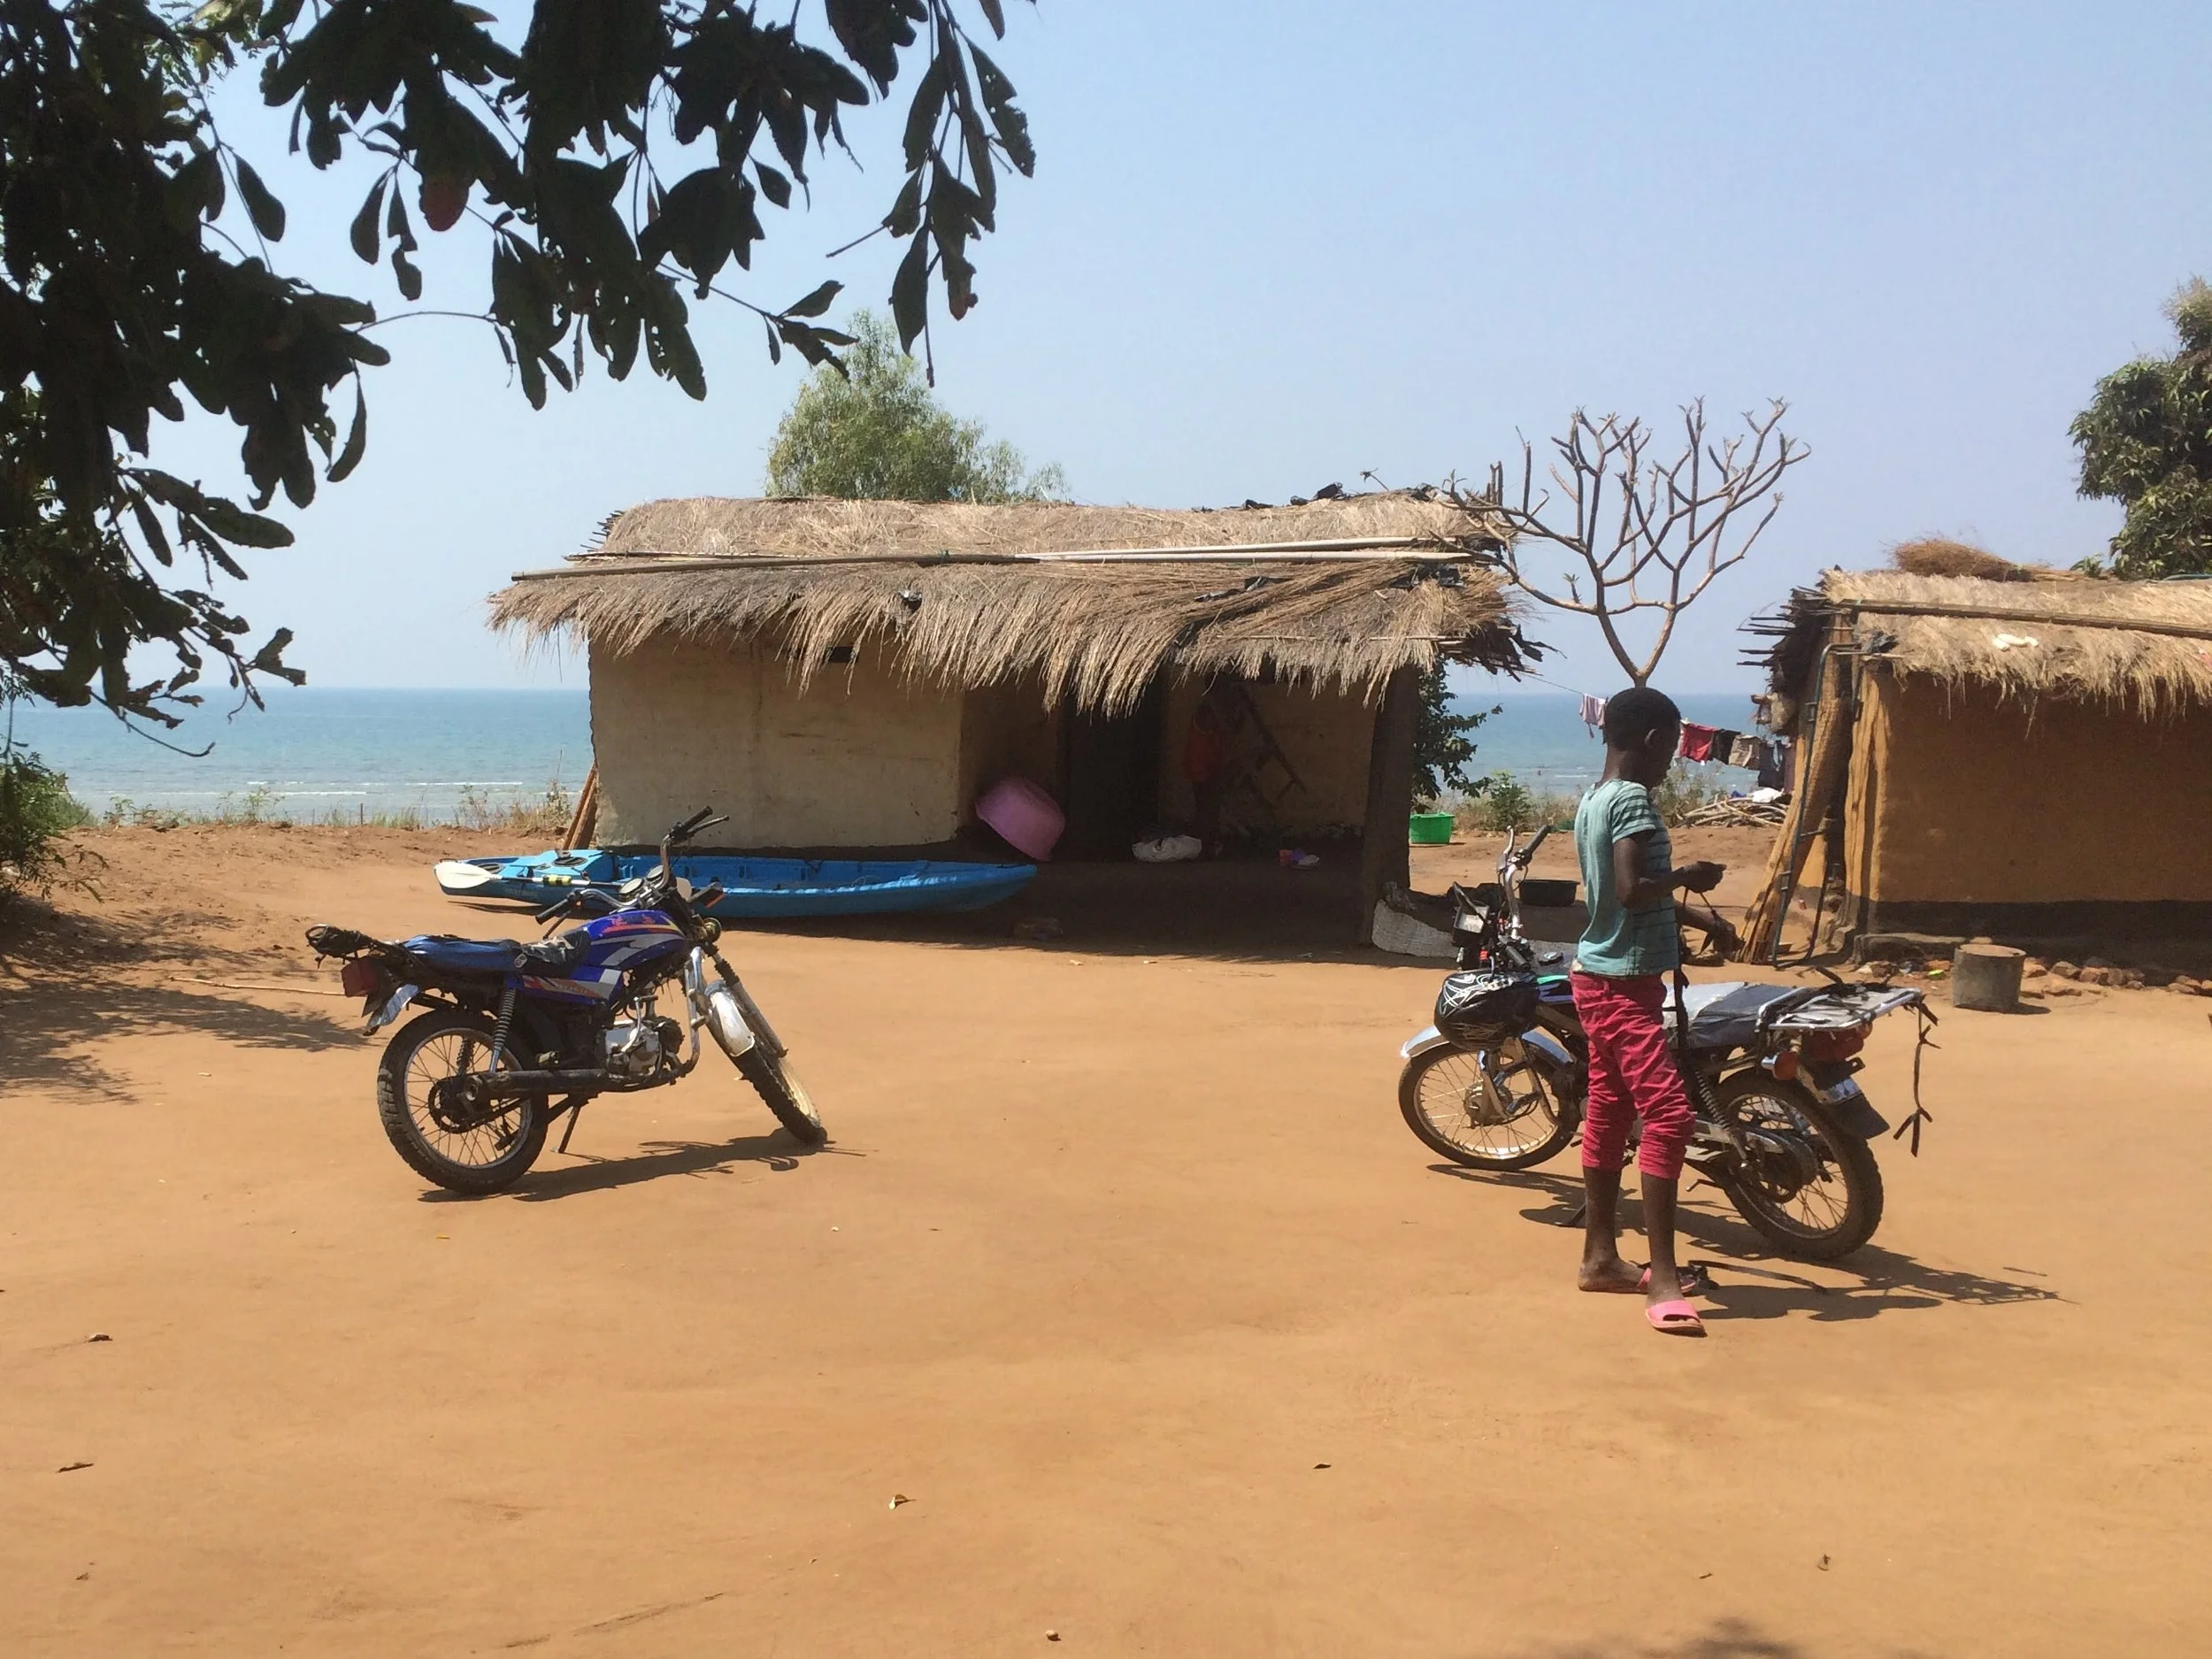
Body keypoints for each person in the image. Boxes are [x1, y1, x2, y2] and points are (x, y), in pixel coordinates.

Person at [1571, 687, 1724, 1336]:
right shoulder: (1633, 800)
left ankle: (1600, 1256)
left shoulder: (1593, 799)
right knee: (1668, 1114)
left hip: (1600, 977)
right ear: (1657, 739)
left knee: (1609, 1112)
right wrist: (1688, 876)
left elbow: (1612, 894)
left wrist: (1691, 916)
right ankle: (1662, 1275)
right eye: (1672, 746)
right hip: (1622, 983)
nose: (1672, 763)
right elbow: (1634, 891)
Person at [1183, 691, 1232, 855]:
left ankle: (1207, 844)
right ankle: (1204, 846)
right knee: (1206, 810)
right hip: (1201, 770)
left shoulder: (1212, 714)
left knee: (1209, 809)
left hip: (1208, 768)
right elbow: (1215, 726)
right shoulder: (1205, 714)